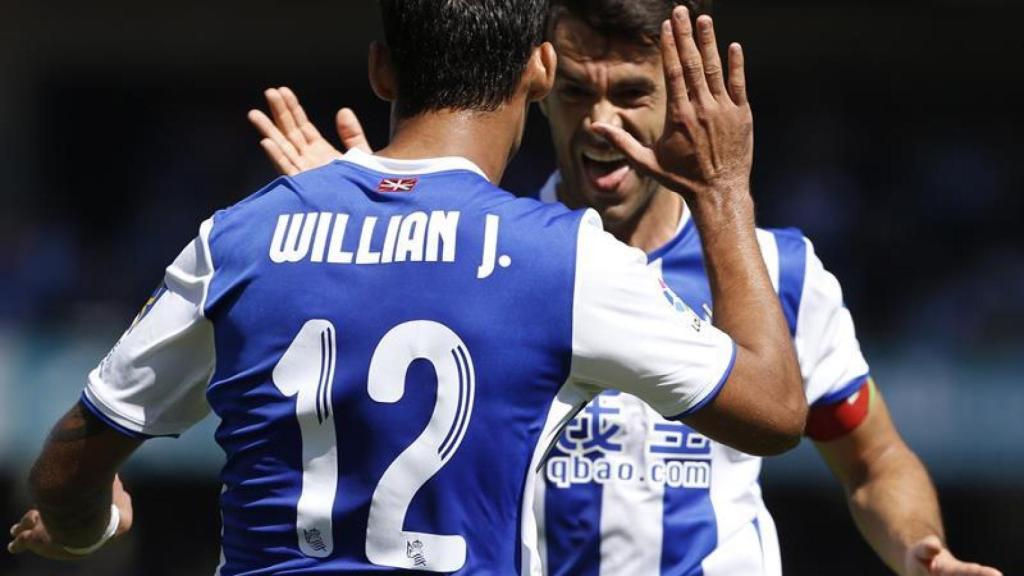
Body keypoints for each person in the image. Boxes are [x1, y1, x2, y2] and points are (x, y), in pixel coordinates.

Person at [8, 3, 808, 574]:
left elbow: (67, 469)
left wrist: (88, 528)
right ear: (541, 69)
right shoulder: (566, 262)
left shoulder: (240, 239)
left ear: (381, 68)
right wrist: (724, 191)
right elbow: (772, 412)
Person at [244, 2, 1002, 575]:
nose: (601, 122)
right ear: (538, 85)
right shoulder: (487, 263)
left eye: (632, 94)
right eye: (576, 92)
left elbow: (872, 462)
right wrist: (373, 228)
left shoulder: (778, 276)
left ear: (684, 94)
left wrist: (920, 550)